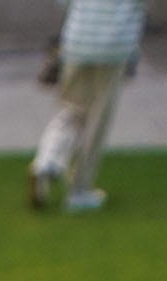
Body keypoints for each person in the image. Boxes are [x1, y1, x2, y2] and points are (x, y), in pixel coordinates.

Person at [35, 0, 146, 210]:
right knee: (97, 120)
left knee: (71, 109)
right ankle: (79, 189)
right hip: (114, 46)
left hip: (77, 41)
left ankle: (47, 159)